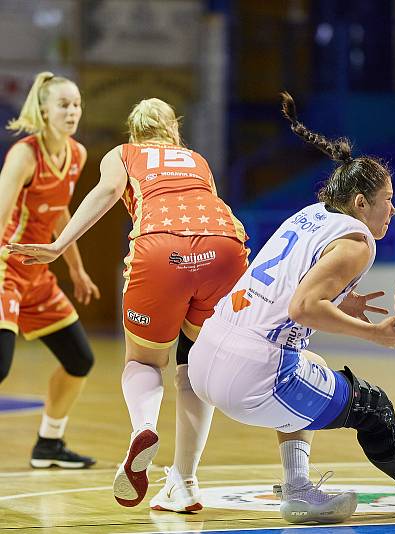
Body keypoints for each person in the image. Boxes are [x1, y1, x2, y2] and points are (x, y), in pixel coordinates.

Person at [185, 92, 395, 524]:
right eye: (388, 198)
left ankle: (297, 489)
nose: (394, 208)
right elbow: (304, 306)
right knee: (373, 408)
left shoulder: (307, 216)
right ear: (361, 203)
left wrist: (340, 298)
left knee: (306, 362)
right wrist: (376, 334)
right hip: (253, 374)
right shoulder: (357, 241)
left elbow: (288, 285)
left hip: (205, 358)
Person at [6, 98, 249, 511]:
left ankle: (144, 428)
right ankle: (185, 483)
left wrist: (59, 245)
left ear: (134, 132)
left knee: (145, 363)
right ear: (174, 129)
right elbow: (210, 209)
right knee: (194, 366)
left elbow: (107, 191)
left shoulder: (125, 153)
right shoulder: (196, 159)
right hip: (225, 248)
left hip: (161, 249)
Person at [0, 71, 99, 469]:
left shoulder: (77, 154)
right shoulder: (26, 154)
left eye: (76, 104)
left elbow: (60, 213)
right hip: (5, 266)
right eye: (64, 105)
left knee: (79, 359)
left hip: (36, 274)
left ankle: (49, 444)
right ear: (44, 111)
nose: (72, 111)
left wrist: (76, 269)